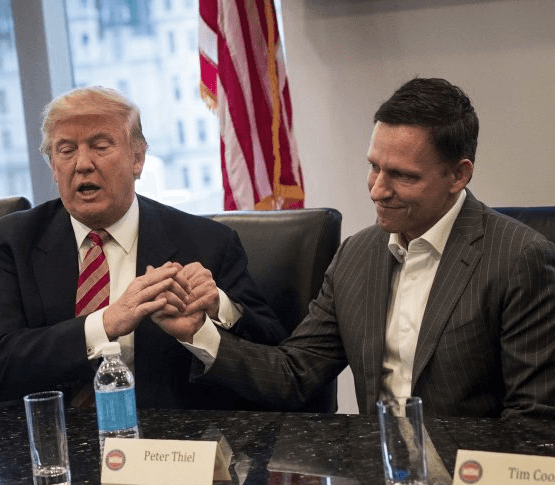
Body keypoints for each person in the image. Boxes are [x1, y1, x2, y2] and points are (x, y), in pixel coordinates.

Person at [168, 77, 555, 418]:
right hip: (380, 479)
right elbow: (295, 375)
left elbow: (532, 419)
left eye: (402, 175)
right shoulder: (357, 254)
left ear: (458, 175)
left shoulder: (520, 258)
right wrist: (199, 332)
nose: (377, 190)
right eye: (375, 167)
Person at [0, 86, 286, 410]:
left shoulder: (206, 243)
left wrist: (217, 308)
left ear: (137, 158)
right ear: (53, 166)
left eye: (100, 146)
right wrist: (104, 324)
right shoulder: (13, 241)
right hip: (54, 442)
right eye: (66, 150)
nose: (82, 164)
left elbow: (275, 356)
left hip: (164, 445)